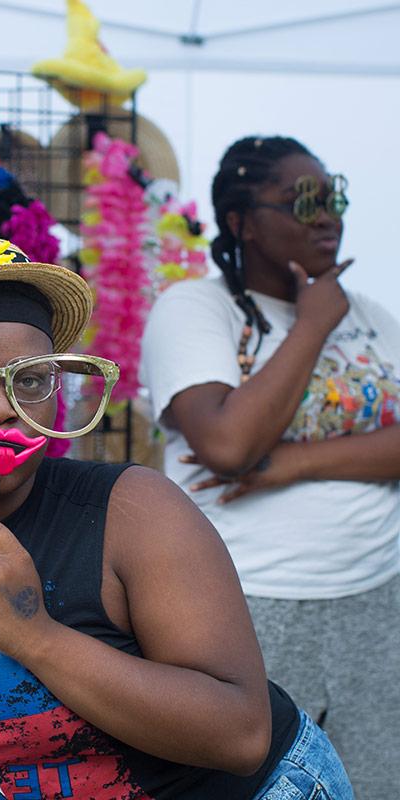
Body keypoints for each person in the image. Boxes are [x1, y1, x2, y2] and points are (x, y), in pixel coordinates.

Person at [0, 227, 352, 799]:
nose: (1, 408)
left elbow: (240, 737)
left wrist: (36, 635)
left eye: (30, 380)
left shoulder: (136, 512)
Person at [141, 136, 400, 798]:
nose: (327, 216)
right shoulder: (198, 309)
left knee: (374, 783)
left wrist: (288, 465)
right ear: (241, 222)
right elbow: (228, 444)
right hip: (246, 603)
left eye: (332, 196)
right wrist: (312, 325)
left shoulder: (370, 317)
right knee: (251, 783)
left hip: (375, 599)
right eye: (302, 200)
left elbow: (257, 455)